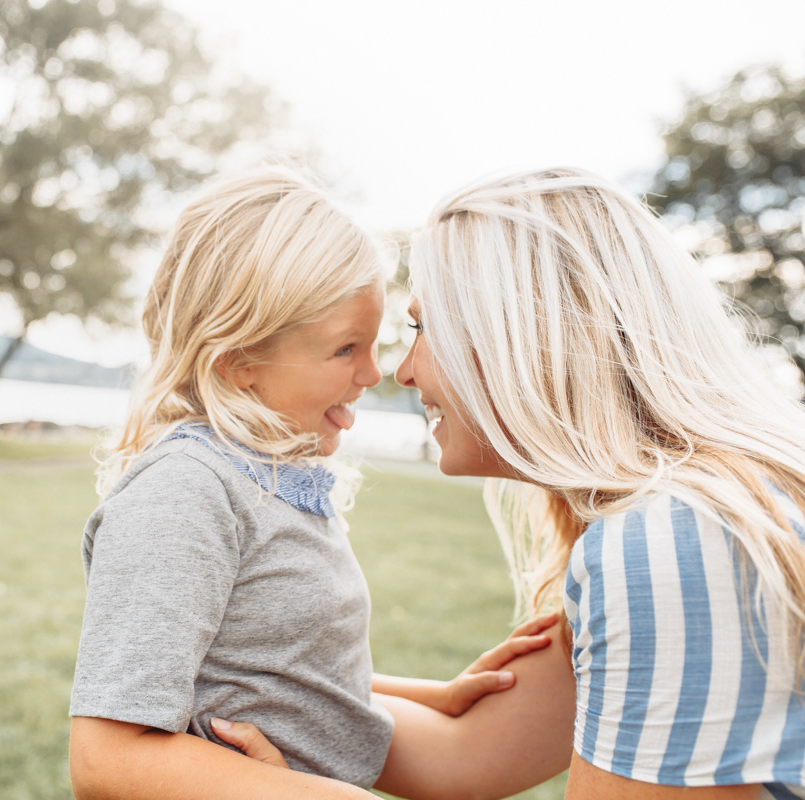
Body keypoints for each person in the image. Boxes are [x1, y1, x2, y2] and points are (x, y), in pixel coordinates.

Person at [226, 167, 805, 799]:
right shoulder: (691, 519)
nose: (401, 370)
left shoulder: (672, 543)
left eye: (424, 328)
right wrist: (221, 692)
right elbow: (464, 755)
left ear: (522, 338)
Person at [67, 167, 559, 800]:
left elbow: (267, 673)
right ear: (239, 360)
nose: (374, 372)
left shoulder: (268, 480)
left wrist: (429, 695)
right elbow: (106, 760)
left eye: (376, 342)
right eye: (345, 349)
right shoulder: (183, 493)